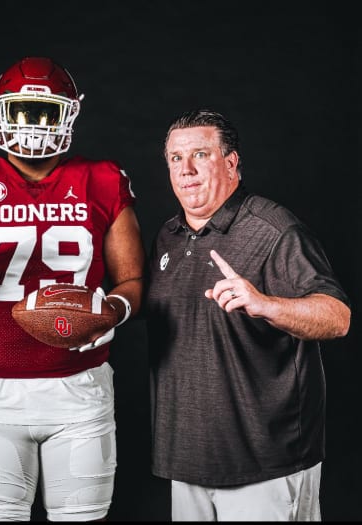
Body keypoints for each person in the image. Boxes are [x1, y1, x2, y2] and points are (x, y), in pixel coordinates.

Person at [0, 56, 144, 521]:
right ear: (0, 111)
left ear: (69, 114)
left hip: (81, 392)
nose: (32, 125)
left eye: (45, 113)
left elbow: (133, 281)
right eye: (20, 111)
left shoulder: (102, 178)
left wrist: (114, 309)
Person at [144, 108, 351, 521]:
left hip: (266, 463)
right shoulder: (168, 236)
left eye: (200, 154)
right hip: (187, 460)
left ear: (232, 161)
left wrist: (264, 304)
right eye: (174, 158)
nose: (185, 169)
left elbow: (337, 317)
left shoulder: (273, 229)